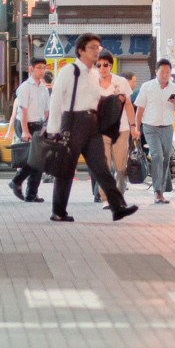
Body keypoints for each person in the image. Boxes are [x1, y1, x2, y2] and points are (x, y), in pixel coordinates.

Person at [42, 36, 136, 223]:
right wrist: (54, 129)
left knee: (101, 167)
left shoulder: (94, 73)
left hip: (92, 124)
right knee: (66, 169)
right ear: (81, 51)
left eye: (98, 47)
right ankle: (58, 211)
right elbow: (56, 100)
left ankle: (117, 207)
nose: (96, 50)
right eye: (92, 47)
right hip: (72, 122)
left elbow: (95, 99)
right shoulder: (69, 71)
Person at [133, 60, 175, 203]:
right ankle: (158, 191)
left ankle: (161, 188)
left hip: (167, 128)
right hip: (150, 127)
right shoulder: (147, 87)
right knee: (157, 156)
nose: (165, 75)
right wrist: (137, 129)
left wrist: (174, 102)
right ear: (156, 71)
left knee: (166, 158)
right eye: (162, 71)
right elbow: (140, 109)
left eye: (168, 72)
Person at [8, 60, 51, 203]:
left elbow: (46, 111)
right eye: (39, 68)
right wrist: (25, 131)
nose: (42, 71)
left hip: (39, 125)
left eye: (44, 68)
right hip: (25, 124)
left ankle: (31, 193)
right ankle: (17, 180)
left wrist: (46, 127)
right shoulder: (25, 87)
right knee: (34, 158)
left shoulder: (44, 89)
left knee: (39, 160)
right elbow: (23, 111)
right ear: (31, 69)